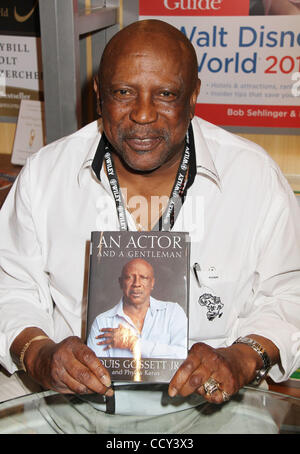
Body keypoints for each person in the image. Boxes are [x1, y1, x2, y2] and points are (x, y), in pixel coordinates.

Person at [0, 19, 299, 433]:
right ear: (99, 97)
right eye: (123, 92)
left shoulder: (253, 177)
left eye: (165, 94)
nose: (142, 114)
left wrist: (242, 358)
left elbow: (288, 292)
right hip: (66, 404)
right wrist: (39, 353)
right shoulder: (45, 176)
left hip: (212, 409)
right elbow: (10, 286)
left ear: (193, 96)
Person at [87, 258, 187, 359]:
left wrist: (133, 343)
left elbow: (183, 355)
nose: (136, 284)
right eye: (129, 277)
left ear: (152, 283)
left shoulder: (173, 312)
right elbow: (95, 369)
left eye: (143, 277)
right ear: (121, 283)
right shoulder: (102, 322)